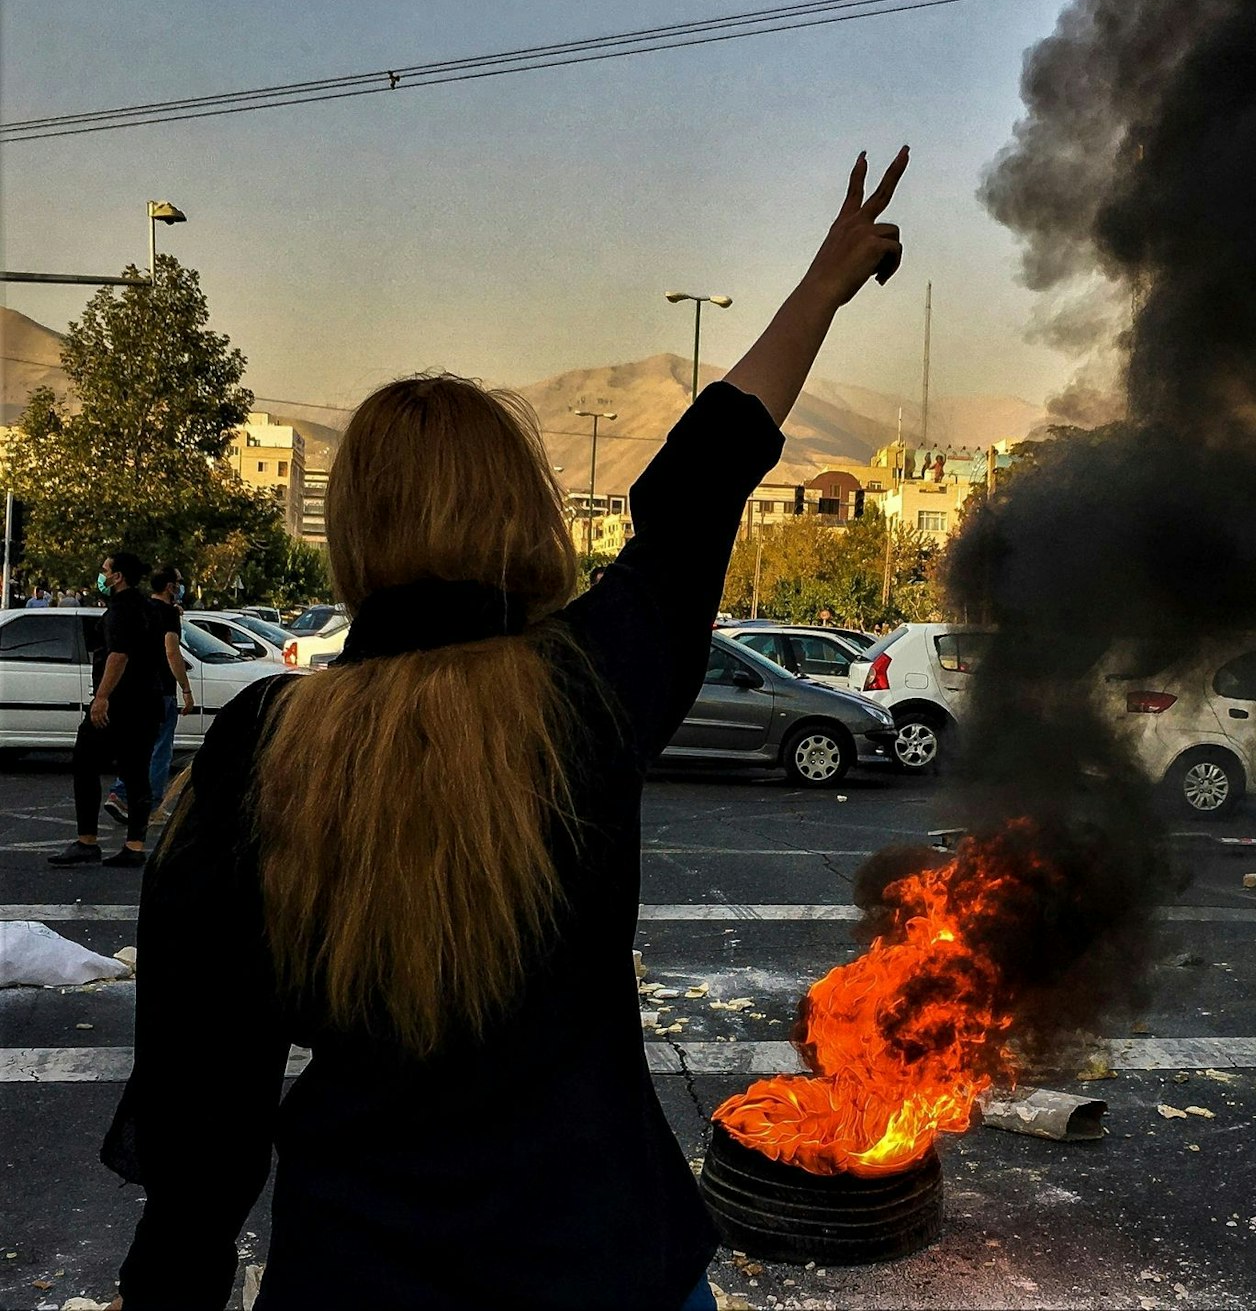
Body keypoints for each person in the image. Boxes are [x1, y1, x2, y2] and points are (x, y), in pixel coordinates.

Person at [100, 146, 908, 1311]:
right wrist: (822, 285)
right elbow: (699, 481)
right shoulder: (586, 689)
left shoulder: (267, 745)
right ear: (522, 510)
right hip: (608, 1263)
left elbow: (203, 1107)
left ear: (351, 530)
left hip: (360, 1274)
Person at [48, 552, 166, 869]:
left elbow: (119, 655)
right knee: (137, 772)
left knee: (85, 761)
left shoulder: (121, 609)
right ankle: (134, 846)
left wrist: (101, 698)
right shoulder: (147, 607)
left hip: (122, 705)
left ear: (118, 577)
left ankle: (87, 841)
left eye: (105, 570)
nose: (101, 575)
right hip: (147, 703)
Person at [105, 567, 196, 827]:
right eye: (178, 582)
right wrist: (186, 688)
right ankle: (150, 804)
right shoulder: (168, 614)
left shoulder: (143, 607)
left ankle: (122, 792)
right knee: (160, 749)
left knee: (139, 746)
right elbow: (171, 651)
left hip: (137, 687)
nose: (181, 586)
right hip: (162, 690)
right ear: (169, 586)